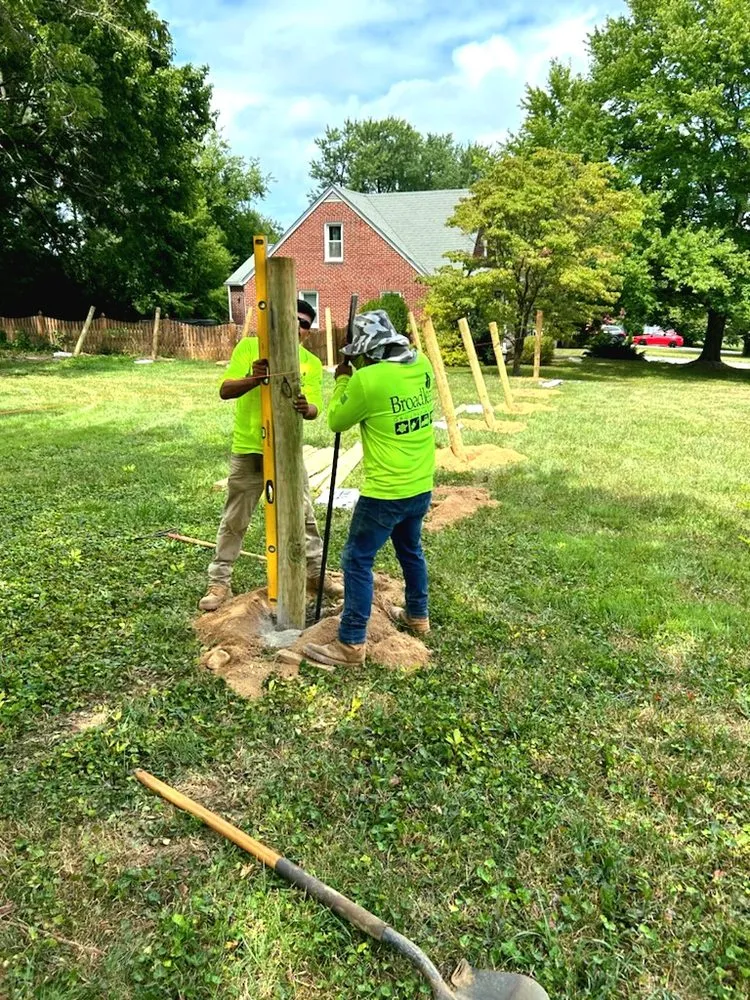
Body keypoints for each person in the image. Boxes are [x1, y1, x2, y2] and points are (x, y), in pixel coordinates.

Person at [303, 310, 435, 667]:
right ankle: (417, 615)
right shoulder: (421, 364)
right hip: (420, 484)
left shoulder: (368, 380)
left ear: (370, 351)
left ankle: (350, 643)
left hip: (385, 491)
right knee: (410, 549)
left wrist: (344, 380)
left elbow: (336, 420)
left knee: (357, 560)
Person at [199, 299, 342, 611]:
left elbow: (316, 408)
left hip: (287, 451)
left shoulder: (310, 363)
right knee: (235, 518)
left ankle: (316, 575)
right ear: (278, 321)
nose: (298, 327)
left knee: (304, 515)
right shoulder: (250, 348)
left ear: (307, 331)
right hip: (250, 448)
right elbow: (226, 390)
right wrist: (254, 379)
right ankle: (219, 581)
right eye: (293, 319)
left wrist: (307, 408)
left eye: (305, 323)